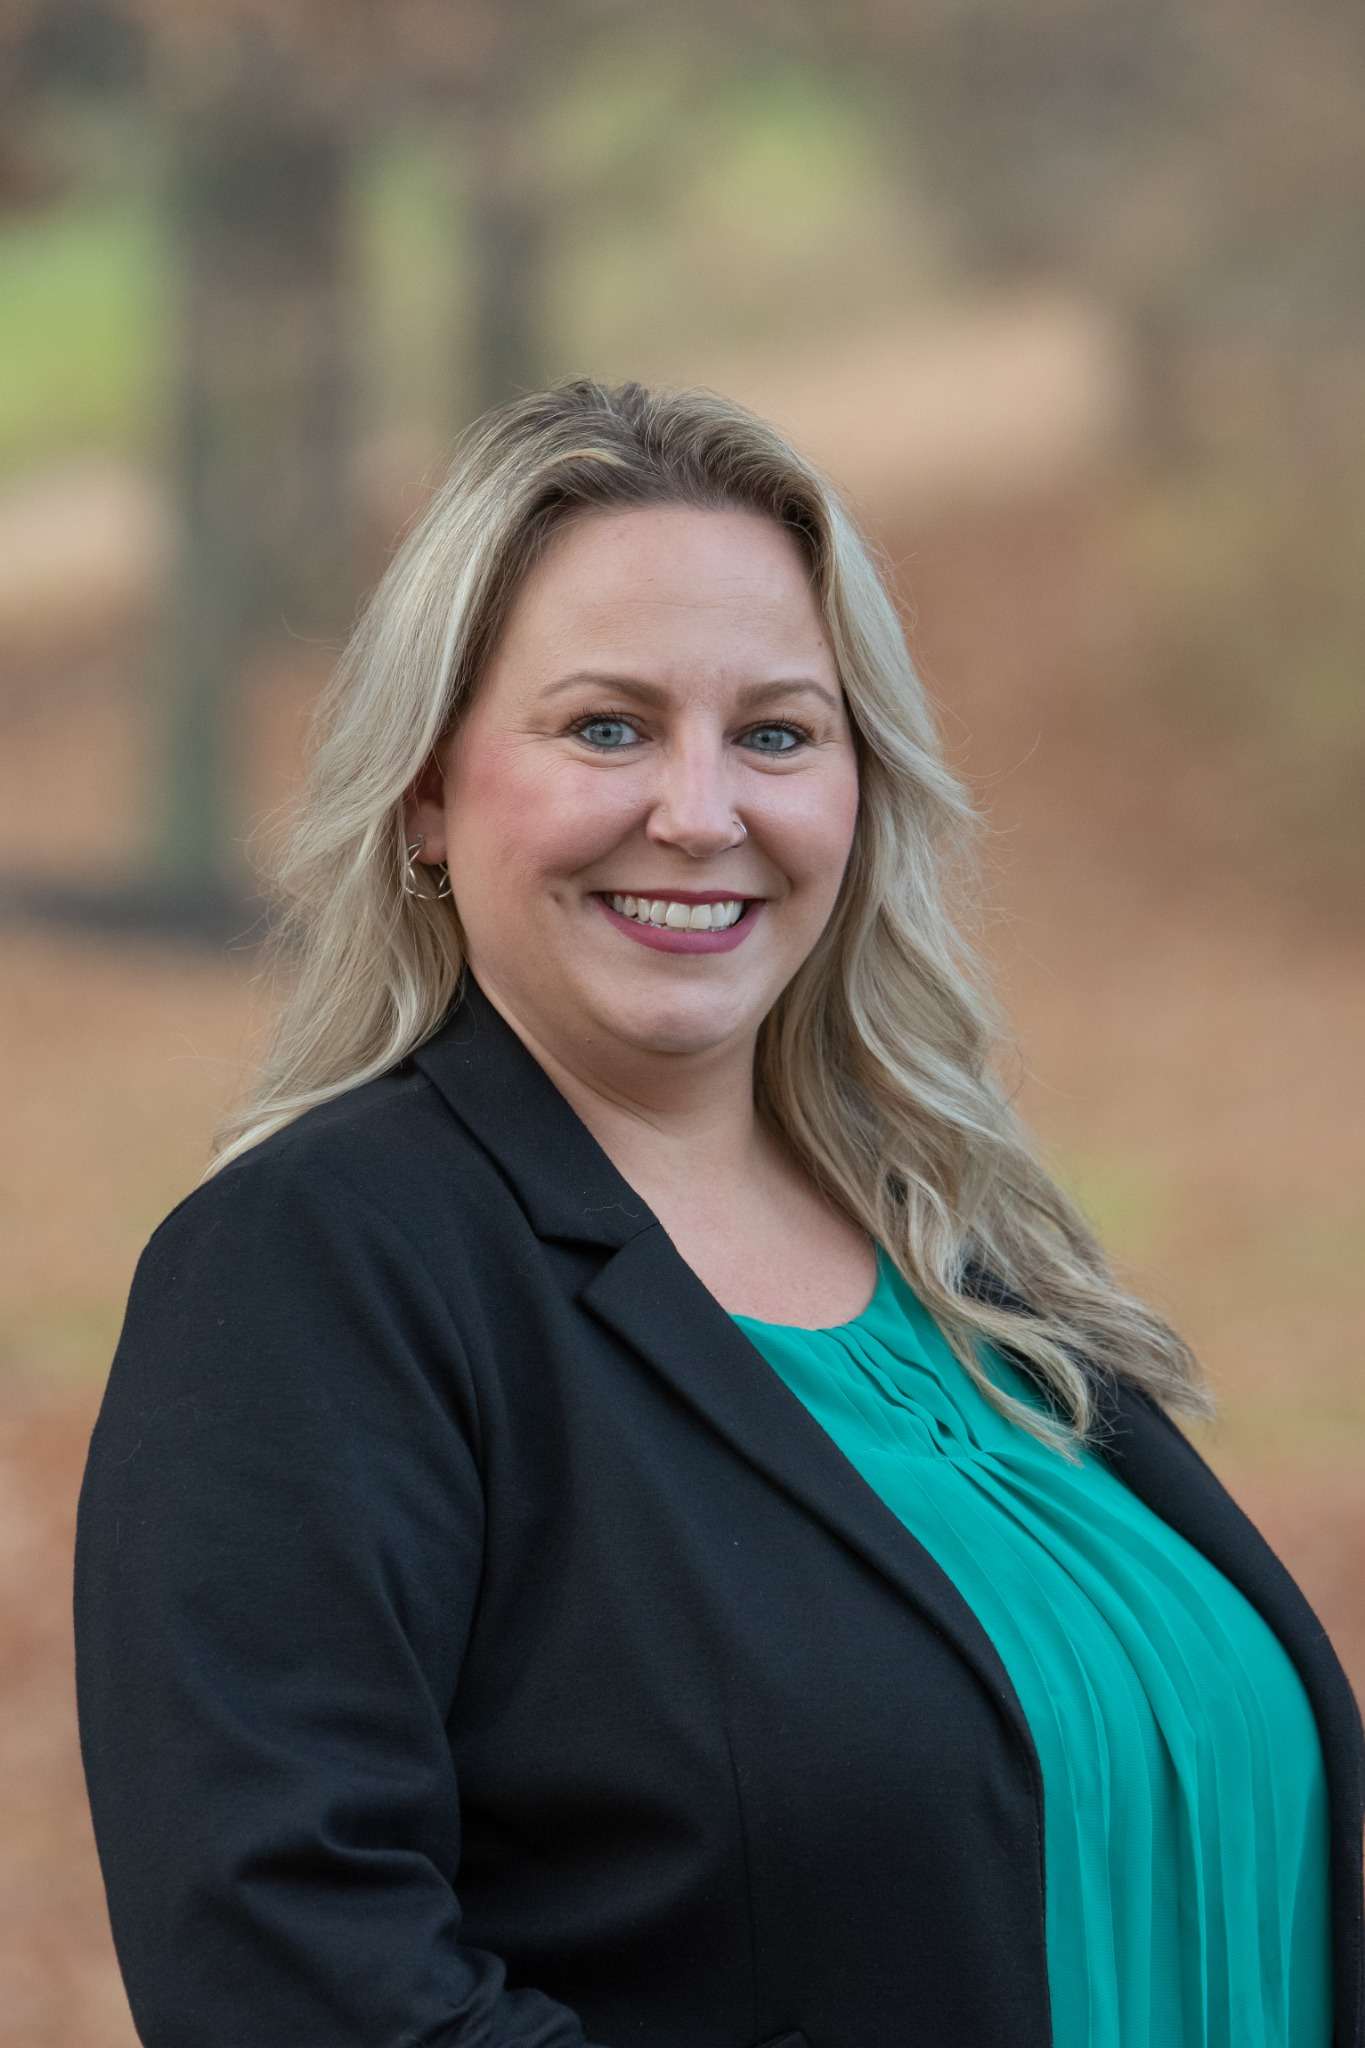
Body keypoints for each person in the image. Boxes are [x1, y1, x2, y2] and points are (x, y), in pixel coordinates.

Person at [73, 378, 1362, 2048]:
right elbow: (293, 1967)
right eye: (605, 726)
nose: (701, 810)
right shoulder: (319, 1271)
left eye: (775, 732)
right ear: (423, 798)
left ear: (857, 787)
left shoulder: (961, 1255)